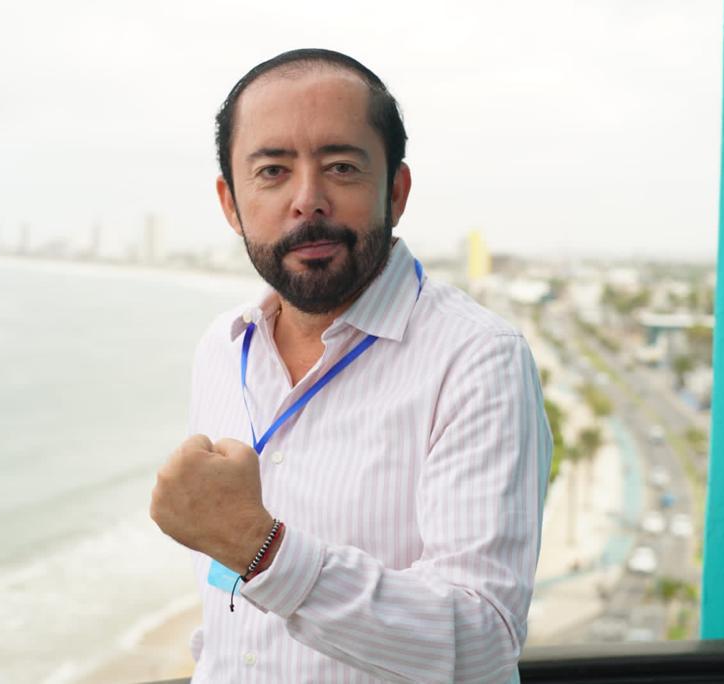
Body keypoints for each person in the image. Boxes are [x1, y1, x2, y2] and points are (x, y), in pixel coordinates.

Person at [150, 48, 552, 683]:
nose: (308, 201)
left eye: (341, 167)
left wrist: (263, 552)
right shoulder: (222, 349)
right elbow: (231, 627)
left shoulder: (477, 359)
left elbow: (482, 642)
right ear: (230, 203)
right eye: (272, 171)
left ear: (396, 189)